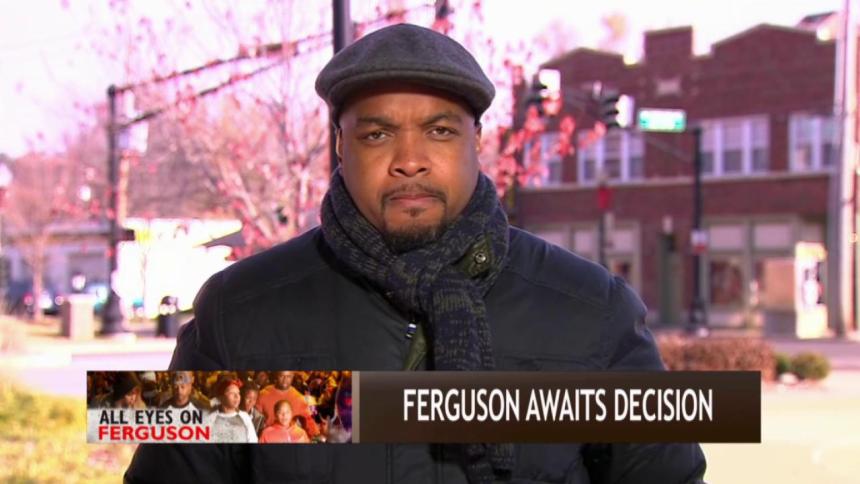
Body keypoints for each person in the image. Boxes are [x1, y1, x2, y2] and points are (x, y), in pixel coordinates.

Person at [126, 23, 706, 483]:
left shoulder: (592, 312)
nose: (409, 160)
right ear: (340, 145)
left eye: (440, 131)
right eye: (377, 134)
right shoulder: (238, 312)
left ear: (478, 142)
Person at [255, 371, 318, 438]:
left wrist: (316, 435)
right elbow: (255, 419)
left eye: (288, 376)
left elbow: (309, 421)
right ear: (277, 375)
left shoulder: (298, 398)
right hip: (268, 438)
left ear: (292, 377)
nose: (285, 379)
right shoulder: (263, 394)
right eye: (282, 376)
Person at [205, 378, 258, 443]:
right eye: (232, 393)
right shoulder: (210, 417)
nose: (237, 396)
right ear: (221, 397)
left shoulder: (245, 417)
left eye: (238, 393)